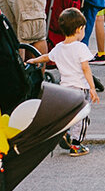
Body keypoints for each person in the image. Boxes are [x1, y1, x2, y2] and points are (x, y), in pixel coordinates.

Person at [39, 8, 96, 155]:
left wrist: (33, 60)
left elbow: (47, 57)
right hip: (80, 88)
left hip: (64, 89)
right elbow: (85, 68)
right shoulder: (80, 47)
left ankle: (65, 133)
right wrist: (92, 88)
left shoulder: (59, 47)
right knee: (82, 117)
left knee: (68, 115)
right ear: (79, 29)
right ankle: (76, 144)